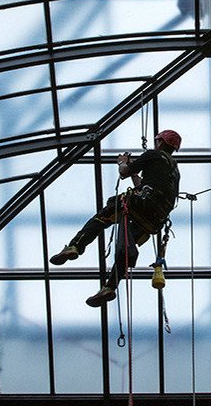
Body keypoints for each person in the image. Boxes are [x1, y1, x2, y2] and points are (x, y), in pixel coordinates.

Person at [50, 130, 182, 307]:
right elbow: (142, 186)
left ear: (159, 142)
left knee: (103, 217)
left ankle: (75, 245)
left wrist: (123, 163)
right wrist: (136, 174)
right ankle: (110, 287)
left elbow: (124, 172)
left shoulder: (153, 154)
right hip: (155, 218)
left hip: (141, 204)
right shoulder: (175, 169)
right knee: (126, 247)